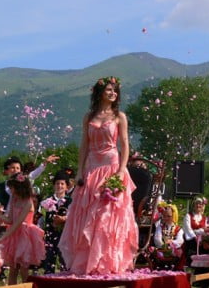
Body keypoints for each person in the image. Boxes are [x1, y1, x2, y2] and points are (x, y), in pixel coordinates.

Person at [58, 76, 138, 275]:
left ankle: (107, 262)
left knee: (106, 216)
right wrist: (79, 170)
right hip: (92, 166)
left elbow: (125, 144)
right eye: (109, 90)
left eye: (115, 91)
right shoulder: (89, 116)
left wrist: (121, 171)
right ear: (100, 92)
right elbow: (84, 144)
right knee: (88, 214)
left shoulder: (120, 116)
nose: (113, 93)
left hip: (111, 165)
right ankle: (87, 262)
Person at [0, 172, 45, 285]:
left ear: (19, 188)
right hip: (14, 235)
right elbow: (10, 220)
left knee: (24, 269)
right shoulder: (14, 200)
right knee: (13, 269)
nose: (11, 190)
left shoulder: (28, 202)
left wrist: (3, 236)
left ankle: (27, 286)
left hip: (25, 235)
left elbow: (18, 223)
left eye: (12, 188)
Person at [41, 170, 72, 274]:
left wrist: (64, 219)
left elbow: (73, 216)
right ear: (54, 185)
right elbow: (43, 217)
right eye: (57, 183)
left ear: (67, 186)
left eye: (62, 184)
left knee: (65, 262)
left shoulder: (71, 201)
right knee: (49, 261)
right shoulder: (47, 201)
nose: (60, 186)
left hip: (65, 235)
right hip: (50, 235)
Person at [153, 203, 184, 270]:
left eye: (169, 216)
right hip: (162, 249)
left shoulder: (178, 229)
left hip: (174, 251)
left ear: (174, 216)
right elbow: (157, 239)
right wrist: (164, 246)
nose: (166, 218)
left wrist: (171, 242)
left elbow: (180, 240)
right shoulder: (160, 226)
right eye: (164, 216)